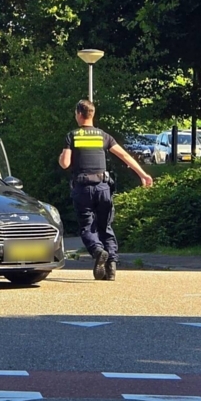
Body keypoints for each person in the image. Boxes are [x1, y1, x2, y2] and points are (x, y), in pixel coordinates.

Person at [58, 100, 153, 280]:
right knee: (105, 226)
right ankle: (111, 267)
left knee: (87, 226)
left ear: (79, 114)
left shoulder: (73, 136)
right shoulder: (103, 136)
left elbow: (65, 164)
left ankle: (97, 250)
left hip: (83, 188)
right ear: (92, 114)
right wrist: (143, 174)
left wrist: (62, 155)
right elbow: (124, 155)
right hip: (103, 188)